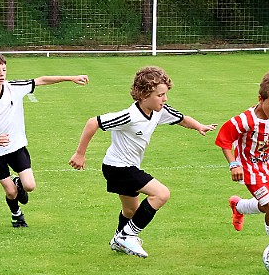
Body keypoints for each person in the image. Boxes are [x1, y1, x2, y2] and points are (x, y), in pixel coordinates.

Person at [68, 66, 217, 258]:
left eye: (165, 94)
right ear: (144, 95)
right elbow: (93, 122)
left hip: (125, 167)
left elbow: (180, 118)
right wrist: (80, 154)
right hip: (119, 168)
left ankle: (119, 239)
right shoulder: (130, 116)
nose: (165, 99)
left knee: (131, 211)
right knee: (161, 194)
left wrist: (199, 126)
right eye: (160, 95)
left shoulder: (158, 111)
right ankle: (127, 236)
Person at [0, 50, 88, 228]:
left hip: (16, 146)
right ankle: (16, 215)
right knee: (11, 193)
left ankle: (18, 181)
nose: (2, 73)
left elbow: (41, 80)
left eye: (4, 69)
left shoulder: (14, 87)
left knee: (29, 186)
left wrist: (70, 77)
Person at [215, 71, 269, 237]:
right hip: (250, 169)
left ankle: (239, 206)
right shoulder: (245, 121)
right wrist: (233, 164)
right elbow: (224, 139)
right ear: (260, 98)